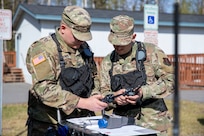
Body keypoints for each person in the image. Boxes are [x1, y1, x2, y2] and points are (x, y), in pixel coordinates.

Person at [26, 5, 107, 136]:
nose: (81, 40)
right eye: (77, 36)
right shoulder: (43, 49)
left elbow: (93, 77)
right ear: (63, 28)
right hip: (50, 125)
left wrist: (96, 95)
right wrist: (83, 103)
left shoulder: (83, 47)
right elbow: (44, 89)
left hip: (83, 123)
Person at [99, 15, 174, 136]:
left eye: (122, 43)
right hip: (121, 125)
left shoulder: (151, 52)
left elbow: (171, 80)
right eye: (114, 42)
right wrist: (115, 99)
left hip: (153, 124)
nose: (117, 46)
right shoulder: (108, 61)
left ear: (133, 37)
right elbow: (103, 93)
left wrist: (144, 92)